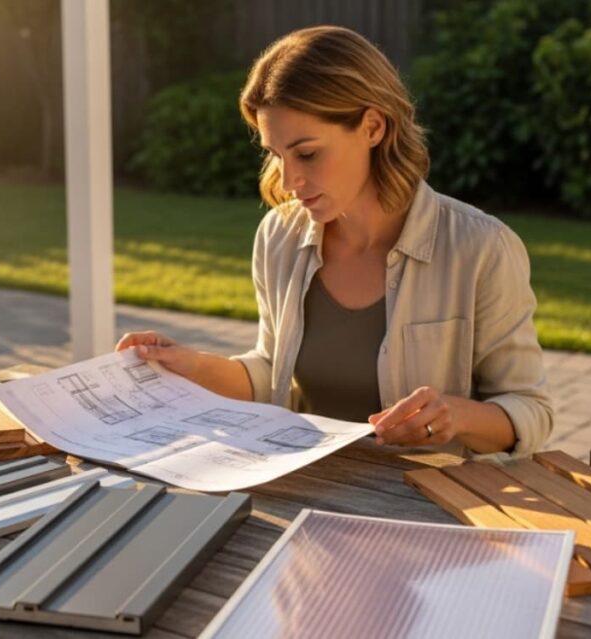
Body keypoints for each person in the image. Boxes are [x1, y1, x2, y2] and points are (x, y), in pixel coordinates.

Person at [116, 26, 552, 460]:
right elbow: (273, 371)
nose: (288, 181)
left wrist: (455, 416)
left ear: (373, 128)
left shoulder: (481, 249)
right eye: (276, 154)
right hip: (304, 489)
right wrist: (191, 366)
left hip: (427, 507)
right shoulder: (279, 237)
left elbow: (530, 410)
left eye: (306, 153)